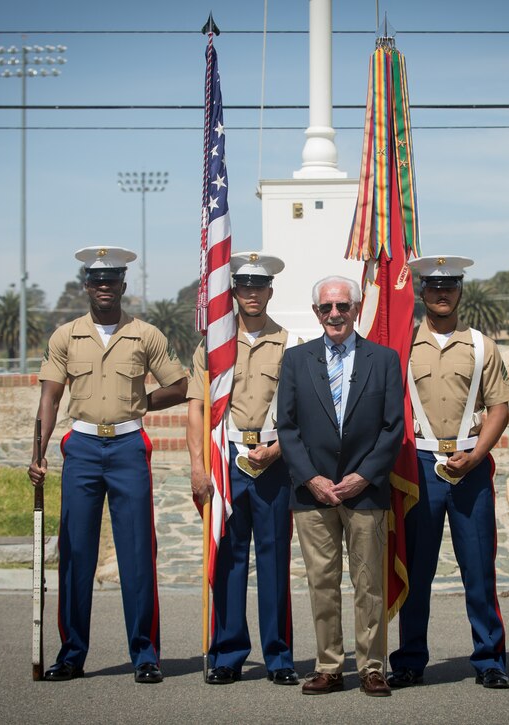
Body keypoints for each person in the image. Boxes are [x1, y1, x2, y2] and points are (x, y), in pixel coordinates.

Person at [29, 245, 188, 684]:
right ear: (86, 287)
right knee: (75, 554)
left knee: (138, 552)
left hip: (127, 448)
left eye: (111, 281)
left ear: (123, 286)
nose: (104, 287)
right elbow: (49, 398)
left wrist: (139, 404)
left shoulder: (146, 334)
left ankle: (146, 655)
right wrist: (37, 453)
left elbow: (178, 386)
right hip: (80, 447)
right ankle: (72, 654)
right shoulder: (65, 336)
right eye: (96, 281)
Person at [387, 255, 509, 690]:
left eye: (450, 286)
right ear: (422, 292)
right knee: (416, 570)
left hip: (470, 465)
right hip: (418, 464)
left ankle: (490, 658)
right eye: (434, 286)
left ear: (460, 291)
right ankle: (408, 659)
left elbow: (500, 408)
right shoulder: (402, 346)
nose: (442, 293)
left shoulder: (482, 345)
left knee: (478, 568)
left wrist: (478, 455)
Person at [276, 275, 404, 697]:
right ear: (316, 313)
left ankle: (371, 667)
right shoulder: (295, 360)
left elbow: (392, 427)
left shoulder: (383, 359)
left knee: (369, 582)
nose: (334, 314)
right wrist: (311, 478)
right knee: (322, 581)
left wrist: (363, 476)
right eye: (326, 308)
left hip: (365, 490)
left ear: (356, 308)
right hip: (312, 493)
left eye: (342, 306)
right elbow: (288, 427)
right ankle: (329, 666)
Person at [186, 252, 300, 686]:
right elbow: (196, 408)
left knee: (274, 561)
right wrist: (198, 467)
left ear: (270, 291)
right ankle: (228, 654)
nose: (251, 293)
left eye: (259, 286)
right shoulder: (213, 346)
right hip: (226, 461)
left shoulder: (289, 344)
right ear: (232, 291)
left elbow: (298, 413)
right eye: (244, 286)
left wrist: (279, 450)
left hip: (272, 463)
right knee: (229, 560)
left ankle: (279, 656)